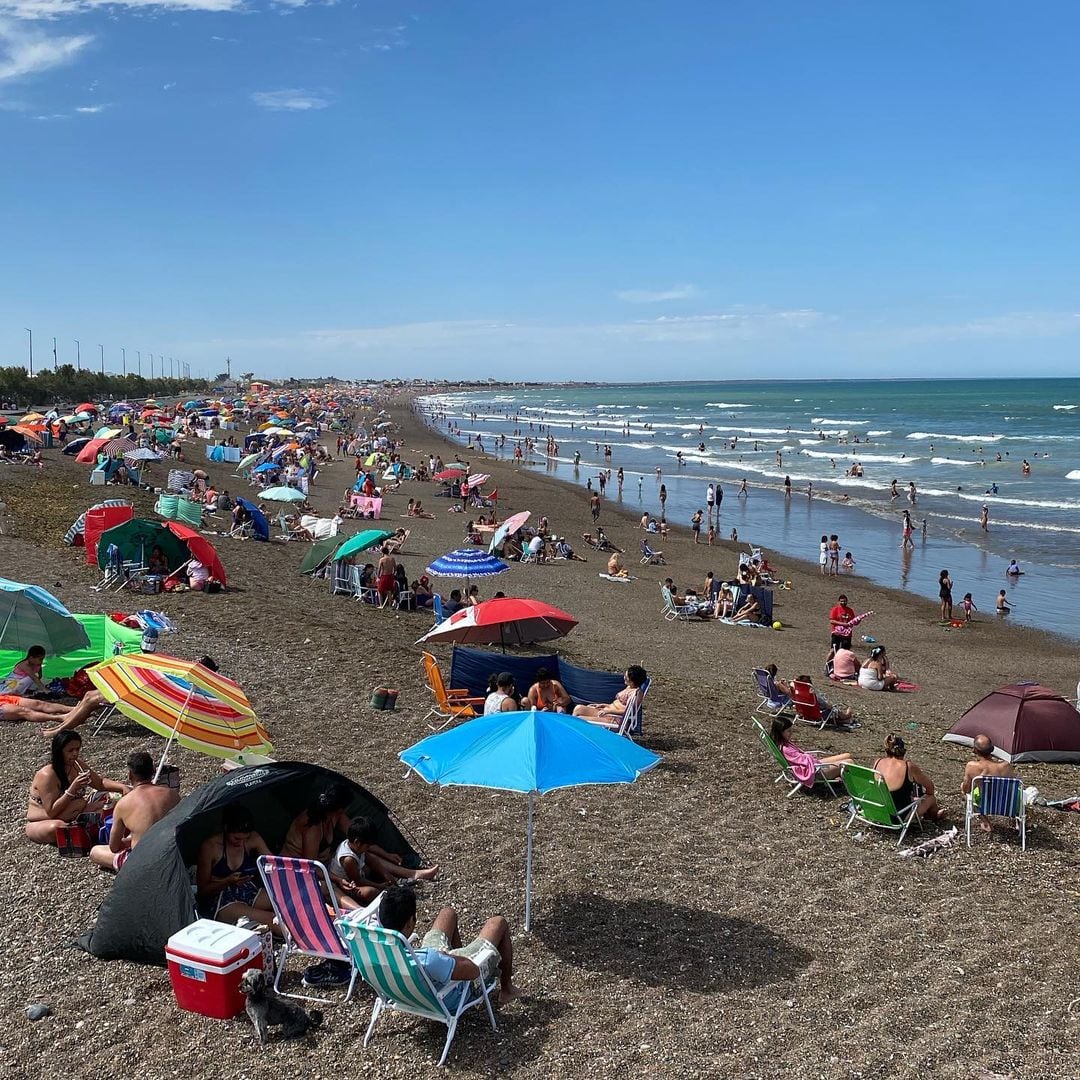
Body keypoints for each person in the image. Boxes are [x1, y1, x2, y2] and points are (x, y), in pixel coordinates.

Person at [378, 886, 520, 1006]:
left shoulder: (376, 953)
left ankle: (456, 960)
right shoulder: (429, 960)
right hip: (448, 992)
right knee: (498, 923)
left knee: (447, 914)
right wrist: (449, 959)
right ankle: (507, 989)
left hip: (419, 985)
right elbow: (473, 971)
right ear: (409, 923)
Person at [26, 730, 128, 845]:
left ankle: (86, 830)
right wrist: (73, 789)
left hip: (77, 813)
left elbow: (99, 783)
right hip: (45, 821)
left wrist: (122, 787)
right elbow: (52, 812)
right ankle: (88, 831)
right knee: (57, 828)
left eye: (77, 749)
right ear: (59, 752)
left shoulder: (76, 765)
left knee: (112, 804)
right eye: (70, 750)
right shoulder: (47, 775)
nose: (75, 753)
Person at [89, 750, 180, 871]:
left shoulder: (124, 803)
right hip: (173, 855)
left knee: (95, 851)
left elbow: (114, 847)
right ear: (152, 772)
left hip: (144, 863)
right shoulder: (172, 795)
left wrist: (131, 841)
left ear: (130, 775)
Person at [196, 804, 277, 927]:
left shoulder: (253, 839)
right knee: (271, 919)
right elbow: (203, 891)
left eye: (245, 838)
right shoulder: (211, 847)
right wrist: (227, 881)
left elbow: (274, 863)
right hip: (220, 898)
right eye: (236, 839)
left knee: (285, 902)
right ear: (226, 829)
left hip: (246, 890)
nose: (241, 843)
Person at [328, 816, 438, 906]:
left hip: (358, 874)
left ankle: (398, 881)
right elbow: (358, 881)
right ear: (357, 842)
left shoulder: (355, 847)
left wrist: (386, 875)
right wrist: (379, 886)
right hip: (345, 886)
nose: (368, 848)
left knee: (371, 858)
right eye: (367, 846)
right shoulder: (348, 859)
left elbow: (373, 860)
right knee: (371, 892)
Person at [873, 735, 945, 821]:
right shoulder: (908, 766)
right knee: (931, 798)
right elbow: (930, 787)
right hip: (897, 817)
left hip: (876, 811)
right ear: (903, 752)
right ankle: (934, 815)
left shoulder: (877, 762)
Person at [961, 734, 1019, 833]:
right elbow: (1013, 786)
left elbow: (967, 790)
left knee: (964, 787)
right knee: (1017, 792)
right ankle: (1018, 822)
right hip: (1006, 804)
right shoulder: (1005, 766)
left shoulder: (972, 766)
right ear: (992, 750)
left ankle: (985, 821)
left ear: (975, 750)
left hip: (985, 804)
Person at [770, 715, 852, 785]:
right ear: (780, 732)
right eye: (788, 731)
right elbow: (804, 762)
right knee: (849, 762)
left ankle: (839, 775)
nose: (791, 733)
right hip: (814, 772)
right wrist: (809, 757)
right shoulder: (786, 749)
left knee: (847, 755)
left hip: (814, 766)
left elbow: (802, 760)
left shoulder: (783, 744)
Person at [1, 688, 107, 734]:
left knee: (40, 704)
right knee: (24, 711)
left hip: (2, 698)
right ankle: (60, 718)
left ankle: (75, 709)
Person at [572, 665, 647, 723]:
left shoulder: (635, 694)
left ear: (632, 681)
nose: (624, 678)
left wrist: (608, 711)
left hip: (614, 719)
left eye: (626, 677)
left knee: (579, 720)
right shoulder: (629, 687)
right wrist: (604, 705)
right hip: (606, 712)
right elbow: (618, 705)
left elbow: (628, 711)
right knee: (579, 708)